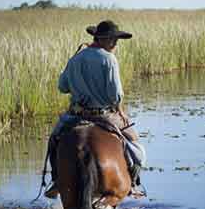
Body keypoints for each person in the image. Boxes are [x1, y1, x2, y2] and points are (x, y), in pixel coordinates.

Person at [44, 20, 144, 195]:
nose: (115, 44)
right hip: (104, 115)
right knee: (136, 146)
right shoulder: (109, 59)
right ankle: (133, 184)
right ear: (104, 40)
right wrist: (119, 108)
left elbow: (63, 87)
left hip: (76, 115)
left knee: (54, 140)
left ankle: (57, 181)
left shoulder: (75, 58)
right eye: (113, 40)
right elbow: (115, 96)